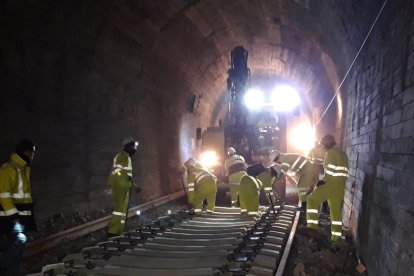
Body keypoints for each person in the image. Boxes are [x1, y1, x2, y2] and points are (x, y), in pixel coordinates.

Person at [0, 139, 37, 276]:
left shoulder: (23, 169)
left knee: (17, 250)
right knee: (20, 240)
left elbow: (24, 195)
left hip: (20, 216)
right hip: (11, 217)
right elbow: (3, 195)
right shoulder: (8, 169)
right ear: (27, 151)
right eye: (32, 152)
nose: (33, 155)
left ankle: (13, 272)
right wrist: (13, 216)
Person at [306, 134, 349, 242]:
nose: (323, 147)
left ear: (327, 144)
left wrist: (322, 181)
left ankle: (312, 227)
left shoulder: (330, 153)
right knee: (335, 212)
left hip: (330, 184)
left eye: (324, 145)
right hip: (340, 187)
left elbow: (330, 171)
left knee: (312, 199)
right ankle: (336, 238)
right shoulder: (343, 154)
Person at [107, 137, 140, 237]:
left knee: (122, 211)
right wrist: (124, 179)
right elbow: (117, 171)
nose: (134, 148)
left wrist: (135, 186)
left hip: (124, 187)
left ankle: (118, 231)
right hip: (119, 187)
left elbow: (127, 177)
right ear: (127, 146)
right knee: (119, 211)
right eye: (133, 146)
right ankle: (113, 231)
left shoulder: (127, 157)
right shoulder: (122, 156)